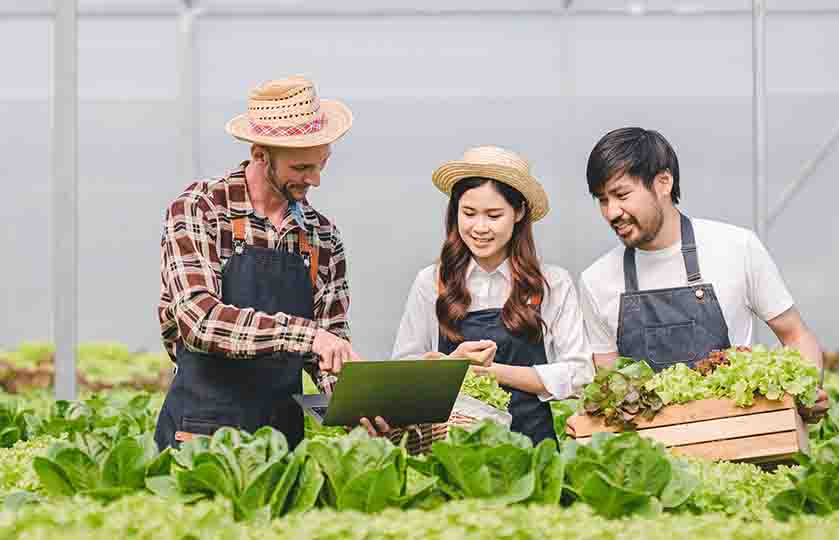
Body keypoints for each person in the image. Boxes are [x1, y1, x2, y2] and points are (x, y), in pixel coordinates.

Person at [154, 75, 389, 450]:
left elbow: (330, 343)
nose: (314, 179)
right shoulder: (202, 208)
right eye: (300, 168)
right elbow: (199, 320)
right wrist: (309, 335)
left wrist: (359, 408)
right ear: (260, 155)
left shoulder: (321, 236)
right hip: (202, 433)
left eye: (320, 165)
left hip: (282, 438)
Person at [577, 128, 829, 420]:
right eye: (602, 200)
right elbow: (610, 385)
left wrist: (807, 389)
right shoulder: (596, 280)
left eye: (621, 195)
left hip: (742, 439)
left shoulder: (736, 247)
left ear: (663, 182)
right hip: (651, 456)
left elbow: (796, 335)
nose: (611, 212)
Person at [392, 146, 595, 445]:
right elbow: (403, 372)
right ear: (455, 211)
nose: (480, 228)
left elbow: (579, 373)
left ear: (519, 212)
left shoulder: (552, 283)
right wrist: (452, 367)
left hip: (533, 449)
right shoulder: (431, 282)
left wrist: (493, 372)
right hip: (452, 451)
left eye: (494, 215)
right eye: (469, 213)